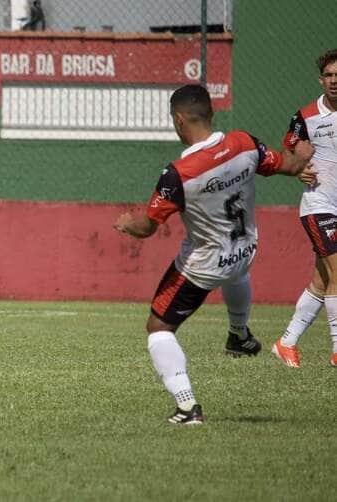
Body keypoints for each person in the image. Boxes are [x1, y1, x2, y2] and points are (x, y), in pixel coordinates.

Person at [114, 84, 313, 424]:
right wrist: (304, 155)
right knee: (238, 273)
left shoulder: (179, 173)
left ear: (179, 120)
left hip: (203, 266)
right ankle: (238, 335)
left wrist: (127, 223)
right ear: (212, 113)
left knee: (158, 327)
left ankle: (187, 407)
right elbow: (289, 166)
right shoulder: (243, 143)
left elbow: (148, 228)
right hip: (245, 250)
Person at [271, 49, 337, 368]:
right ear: (321, 79)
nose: (335, 81)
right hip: (319, 204)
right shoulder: (307, 116)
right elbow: (291, 152)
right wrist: (300, 169)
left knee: (323, 280)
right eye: (330, 76)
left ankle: (286, 343)